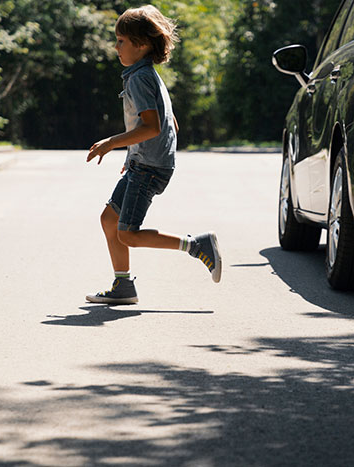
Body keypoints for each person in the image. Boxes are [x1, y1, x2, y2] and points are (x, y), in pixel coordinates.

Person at [85, 5, 221, 305]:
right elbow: (169, 122)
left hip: (148, 167)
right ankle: (123, 286)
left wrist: (111, 143)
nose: (116, 46)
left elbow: (152, 125)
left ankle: (197, 245)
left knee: (128, 234)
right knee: (110, 220)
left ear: (141, 45)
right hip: (143, 163)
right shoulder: (144, 75)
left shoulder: (140, 79)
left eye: (121, 40)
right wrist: (133, 153)